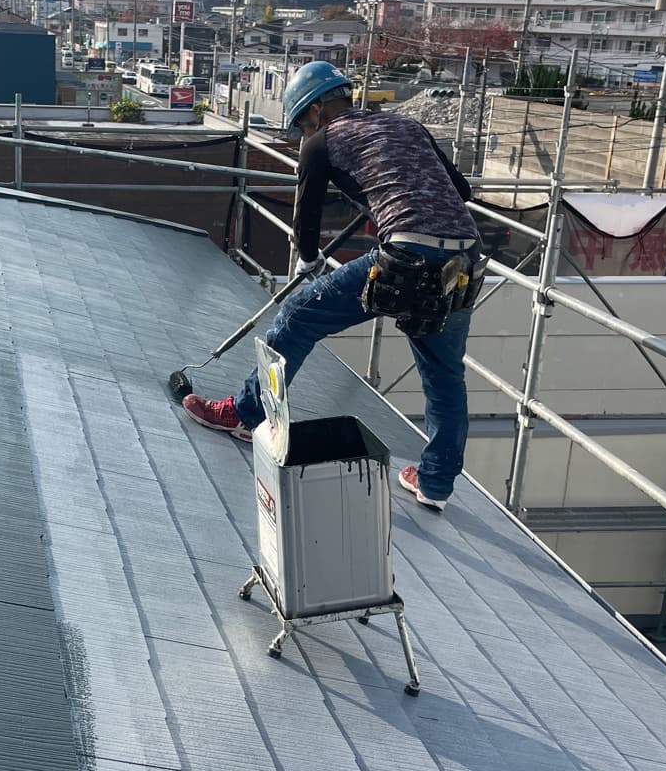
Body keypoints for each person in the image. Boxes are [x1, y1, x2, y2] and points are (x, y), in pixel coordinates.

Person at [182, 61, 484, 513]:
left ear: (317, 110)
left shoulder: (321, 142)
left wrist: (310, 261)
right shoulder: (408, 125)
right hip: (464, 257)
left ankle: (246, 414)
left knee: (298, 317)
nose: (305, 131)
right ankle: (436, 483)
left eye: (303, 122)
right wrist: (381, 196)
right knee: (444, 374)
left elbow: (305, 223)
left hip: (406, 253)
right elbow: (460, 191)